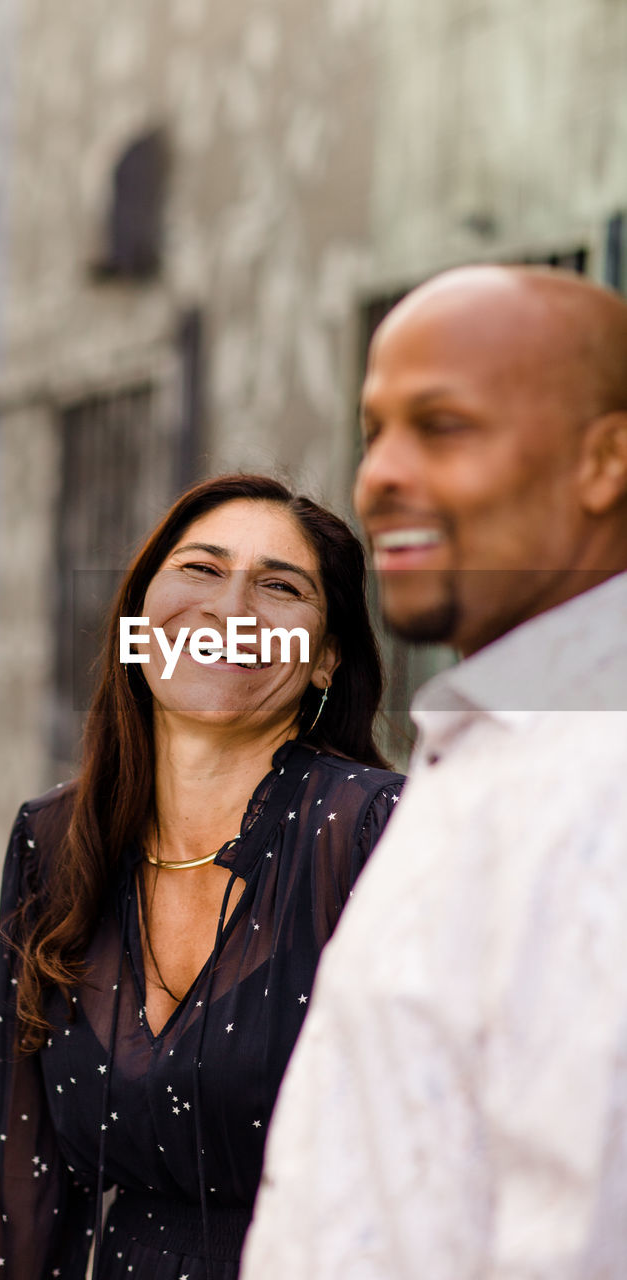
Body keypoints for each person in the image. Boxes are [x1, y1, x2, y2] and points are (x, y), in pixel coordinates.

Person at [242, 265, 627, 1280]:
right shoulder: (495, 743)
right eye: (375, 432)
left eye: (442, 425)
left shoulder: (600, 777)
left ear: (607, 459)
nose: (378, 477)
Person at [0, 473, 404, 1280]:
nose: (230, 611)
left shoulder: (378, 833)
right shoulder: (53, 841)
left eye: (279, 587)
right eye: (200, 570)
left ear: (325, 660)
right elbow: (25, 1192)